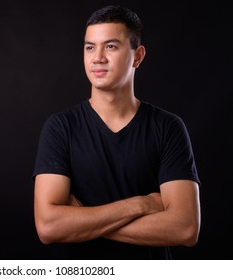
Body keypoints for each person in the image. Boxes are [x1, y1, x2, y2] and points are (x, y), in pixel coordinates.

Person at [32, 5, 201, 259]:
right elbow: (49, 227)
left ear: (138, 56)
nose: (97, 57)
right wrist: (142, 205)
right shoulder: (61, 128)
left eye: (110, 46)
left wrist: (84, 219)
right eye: (90, 47)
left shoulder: (168, 127)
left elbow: (186, 228)